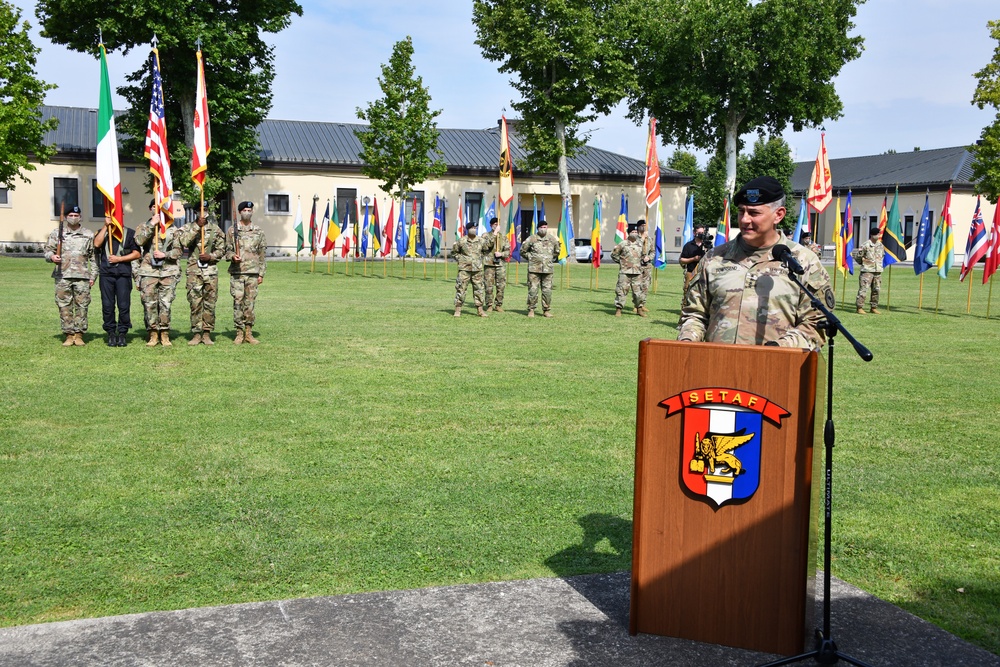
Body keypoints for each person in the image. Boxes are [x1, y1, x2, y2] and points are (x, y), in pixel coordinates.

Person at [678, 176, 835, 350]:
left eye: (754, 213)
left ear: (778, 215)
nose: (744, 219)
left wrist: (776, 349)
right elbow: (695, 315)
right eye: (741, 211)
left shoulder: (804, 262)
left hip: (777, 369)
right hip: (719, 368)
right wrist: (687, 342)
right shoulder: (714, 258)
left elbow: (815, 323)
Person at [43, 205, 96, 346]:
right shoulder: (57, 233)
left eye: (76, 215)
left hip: (82, 276)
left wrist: (93, 276)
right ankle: (68, 334)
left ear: (80, 217)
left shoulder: (88, 234)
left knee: (82, 306)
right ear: (66, 217)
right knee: (64, 306)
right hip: (62, 275)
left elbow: (93, 257)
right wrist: (52, 257)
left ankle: (79, 335)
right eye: (71, 215)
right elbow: (47, 251)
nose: (73, 218)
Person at [135, 200, 183, 346]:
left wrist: (165, 255)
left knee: (165, 303)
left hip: (168, 271)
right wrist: (151, 225)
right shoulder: (143, 226)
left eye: (160, 206)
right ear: (150, 209)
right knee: (149, 303)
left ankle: (165, 333)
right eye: (154, 206)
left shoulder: (173, 229)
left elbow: (178, 251)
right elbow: (139, 241)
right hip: (149, 271)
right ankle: (153, 333)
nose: (157, 209)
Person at [178, 211, 226, 344]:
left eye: (205, 210)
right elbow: (184, 242)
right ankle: (196, 333)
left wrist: (212, 256)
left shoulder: (215, 229)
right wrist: (197, 227)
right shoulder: (188, 227)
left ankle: (206, 333)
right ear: (195, 212)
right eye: (200, 210)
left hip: (210, 271)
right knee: (195, 303)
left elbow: (222, 249)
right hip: (194, 271)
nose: (203, 213)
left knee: (210, 303)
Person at [225, 201, 267, 344]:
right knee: (238, 302)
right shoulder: (232, 230)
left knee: (249, 303)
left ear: (252, 212)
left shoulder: (258, 231)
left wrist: (261, 273)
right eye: (244, 210)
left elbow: (262, 253)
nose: (247, 212)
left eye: (249, 210)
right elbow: (227, 249)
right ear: (240, 212)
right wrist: (232, 256)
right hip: (237, 272)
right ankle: (239, 332)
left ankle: (248, 333)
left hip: (253, 273)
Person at [94, 217, 140, 346]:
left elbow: (136, 254)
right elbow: (97, 244)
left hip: (123, 275)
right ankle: (111, 333)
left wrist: (119, 259)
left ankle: (122, 333)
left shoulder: (129, 233)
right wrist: (105, 226)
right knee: (107, 305)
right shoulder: (103, 232)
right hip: (106, 275)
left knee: (123, 305)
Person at [520, 219, 561, 318]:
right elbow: (523, 251)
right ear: (538, 228)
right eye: (541, 227)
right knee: (533, 290)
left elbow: (557, 251)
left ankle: (546, 310)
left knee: (547, 291)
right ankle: (531, 309)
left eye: (545, 227)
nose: (543, 229)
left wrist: (549, 258)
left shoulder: (552, 239)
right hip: (534, 269)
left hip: (548, 269)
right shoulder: (532, 239)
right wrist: (531, 258)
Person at [451, 220, 491, 317]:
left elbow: (487, 250)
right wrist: (460, 259)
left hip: (477, 269)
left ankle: (480, 310)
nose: (474, 230)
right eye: (472, 228)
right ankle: (458, 309)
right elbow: (454, 252)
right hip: (464, 269)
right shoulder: (462, 240)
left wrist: (480, 258)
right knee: (461, 288)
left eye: (475, 228)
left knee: (479, 289)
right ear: (468, 230)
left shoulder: (481, 241)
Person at [611, 223, 646, 317]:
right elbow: (614, 255)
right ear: (629, 233)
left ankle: (639, 309)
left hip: (637, 272)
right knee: (621, 290)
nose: (634, 233)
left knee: (638, 292)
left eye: (635, 231)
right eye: (632, 231)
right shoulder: (623, 244)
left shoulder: (640, 244)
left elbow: (642, 256)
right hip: (625, 272)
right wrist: (622, 263)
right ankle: (618, 309)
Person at [678, 223, 708, 315]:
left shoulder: (707, 245)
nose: (701, 234)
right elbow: (682, 259)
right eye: (699, 233)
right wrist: (693, 259)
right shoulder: (688, 245)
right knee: (688, 292)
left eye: (703, 232)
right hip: (691, 273)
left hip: (704, 273)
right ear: (694, 233)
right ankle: (685, 310)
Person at [852, 228, 884, 315]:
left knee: (876, 290)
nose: (878, 236)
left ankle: (873, 307)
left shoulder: (880, 245)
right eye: (877, 234)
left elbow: (882, 256)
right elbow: (858, 257)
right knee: (863, 290)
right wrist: (864, 264)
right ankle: (860, 307)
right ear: (873, 235)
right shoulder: (865, 245)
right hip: (867, 271)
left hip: (877, 271)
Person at [482, 216, 511, 312]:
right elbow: (486, 247)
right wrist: (494, 234)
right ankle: (489, 305)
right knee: (488, 286)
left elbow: (508, 251)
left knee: (501, 286)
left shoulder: (503, 237)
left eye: (498, 224)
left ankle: (498, 304)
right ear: (491, 225)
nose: (496, 226)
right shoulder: (485, 236)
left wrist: (501, 254)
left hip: (500, 265)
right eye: (495, 224)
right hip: (489, 264)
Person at [635, 219, 654, 315]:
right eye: (642, 225)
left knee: (645, 285)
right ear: (638, 227)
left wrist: (649, 257)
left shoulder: (649, 239)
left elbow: (653, 252)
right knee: (637, 286)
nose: (644, 227)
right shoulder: (634, 238)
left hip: (647, 266)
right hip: (637, 265)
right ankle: (636, 305)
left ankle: (642, 304)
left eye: (645, 225)